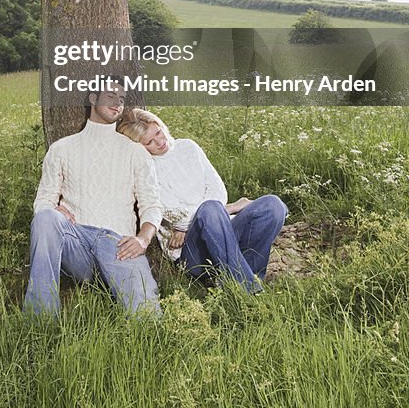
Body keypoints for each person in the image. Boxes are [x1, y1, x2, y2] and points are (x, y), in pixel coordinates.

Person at [23, 80, 163, 317]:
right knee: (46, 218)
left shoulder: (134, 151)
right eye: (111, 95)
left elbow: (152, 203)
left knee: (147, 315)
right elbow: (43, 200)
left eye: (122, 98)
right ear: (93, 98)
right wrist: (53, 209)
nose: (118, 102)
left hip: (117, 246)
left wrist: (143, 239)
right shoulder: (61, 148)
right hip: (77, 245)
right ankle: (41, 320)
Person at [117, 109, 287, 294]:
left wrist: (204, 216)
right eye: (149, 142)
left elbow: (218, 190)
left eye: (158, 132)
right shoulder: (145, 169)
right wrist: (230, 208)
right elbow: (176, 216)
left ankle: (242, 277)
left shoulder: (188, 147)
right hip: (191, 253)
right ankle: (248, 292)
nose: (160, 141)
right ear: (139, 147)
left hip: (223, 230)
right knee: (210, 210)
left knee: (273, 205)